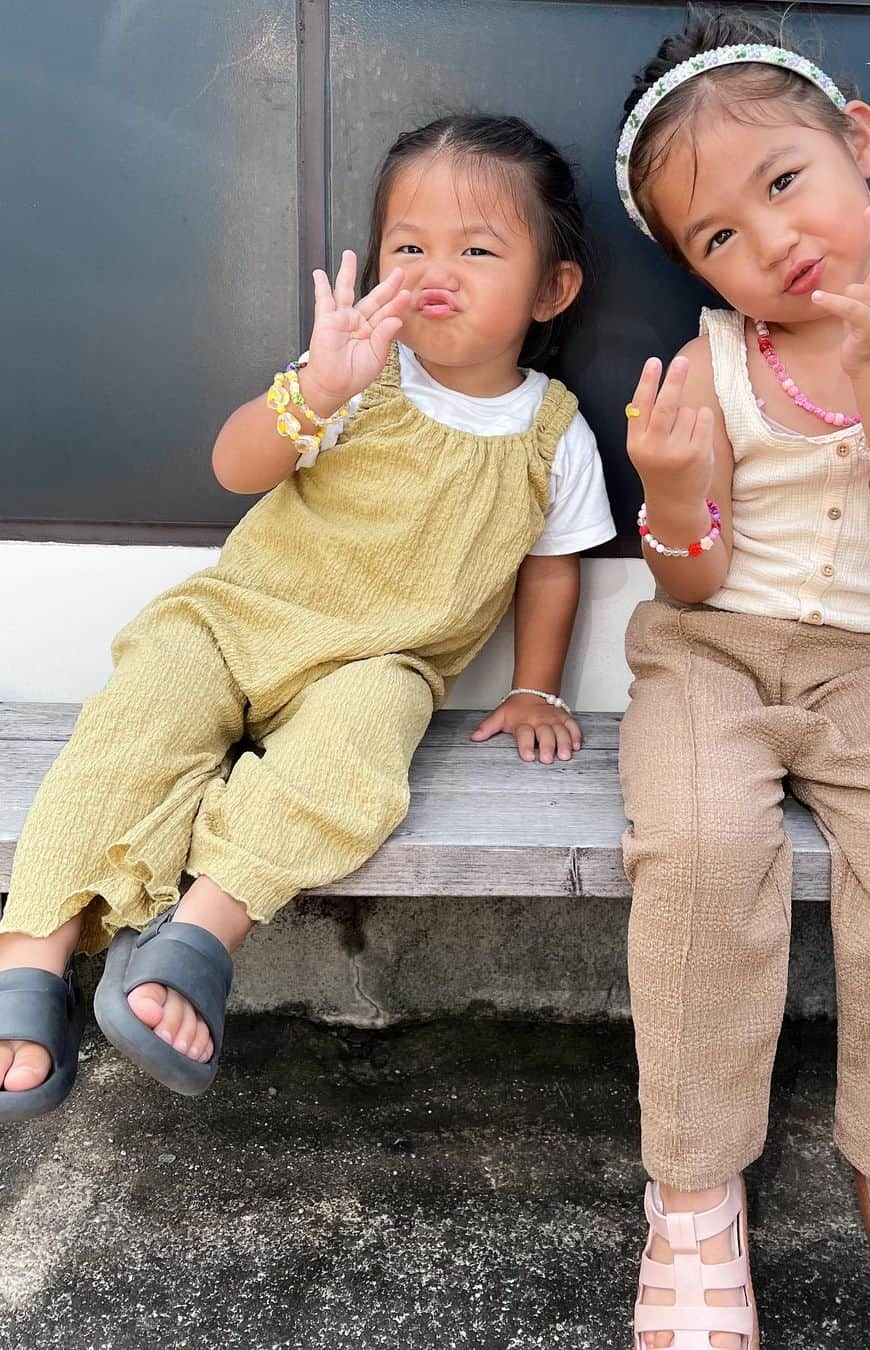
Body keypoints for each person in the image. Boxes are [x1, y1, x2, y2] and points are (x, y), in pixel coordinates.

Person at [0, 113, 615, 1119]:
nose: (432, 271)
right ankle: (30, 956)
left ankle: (196, 941)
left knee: (355, 760)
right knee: (132, 728)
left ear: (551, 288)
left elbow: (552, 571)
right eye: (409, 246)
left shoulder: (552, 432)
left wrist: (537, 684)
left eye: (477, 248)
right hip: (238, 621)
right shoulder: (356, 373)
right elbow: (236, 467)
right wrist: (318, 388)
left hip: (378, 662)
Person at [615, 7, 870, 1347]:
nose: (769, 241)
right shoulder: (720, 362)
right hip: (709, 657)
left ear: (859, 142)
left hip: (864, 670)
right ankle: (692, 1198)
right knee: (698, 844)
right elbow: (683, 580)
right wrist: (672, 494)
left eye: (783, 181)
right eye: (717, 236)